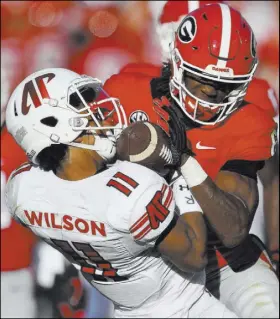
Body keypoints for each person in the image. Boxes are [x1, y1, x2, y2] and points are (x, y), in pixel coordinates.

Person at [5, 67, 239, 318]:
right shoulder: (132, 190)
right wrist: (178, 169)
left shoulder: (23, 191)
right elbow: (195, 255)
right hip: (185, 308)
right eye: (87, 109)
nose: (103, 115)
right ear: (55, 127)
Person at [103, 3, 279, 318]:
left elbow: (233, 229)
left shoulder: (249, 118)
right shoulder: (126, 91)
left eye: (228, 86)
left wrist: (185, 161)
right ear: (178, 62)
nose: (213, 94)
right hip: (150, 265)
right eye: (204, 81)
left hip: (224, 261)